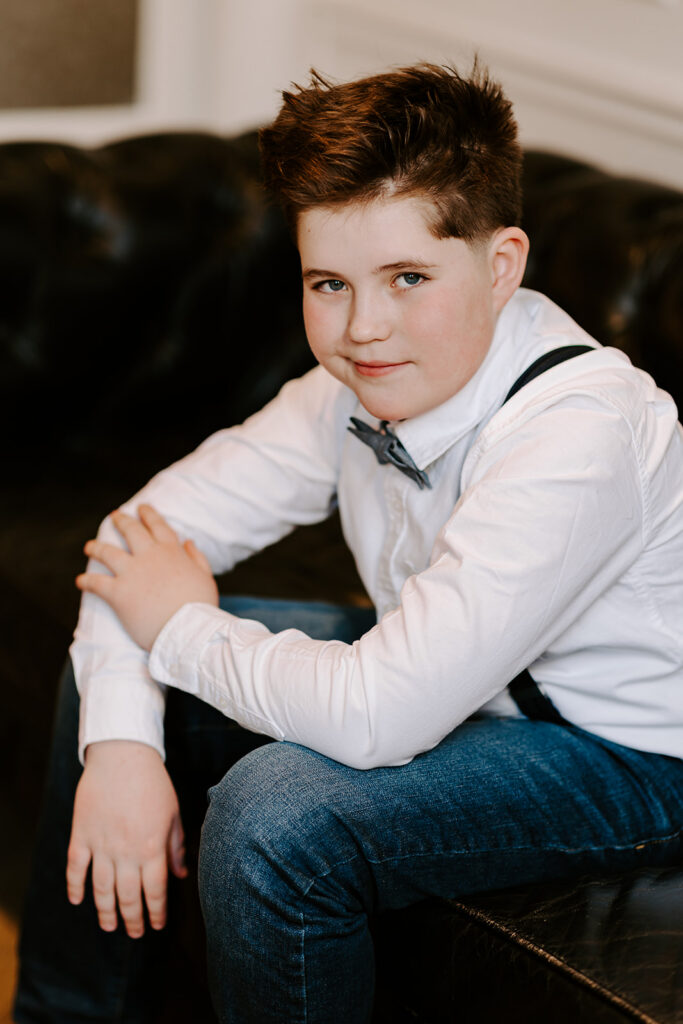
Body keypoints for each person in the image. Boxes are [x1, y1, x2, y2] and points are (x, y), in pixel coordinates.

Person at [15, 62, 683, 1024]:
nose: (364, 328)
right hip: (453, 682)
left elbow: (379, 716)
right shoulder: (355, 381)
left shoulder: (581, 431)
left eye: (408, 278)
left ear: (502, 265)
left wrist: (182, 628)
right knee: (118, 669)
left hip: (630, 755)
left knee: (274, 817)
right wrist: (120, 747)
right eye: (329, 283)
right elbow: (137, 541)